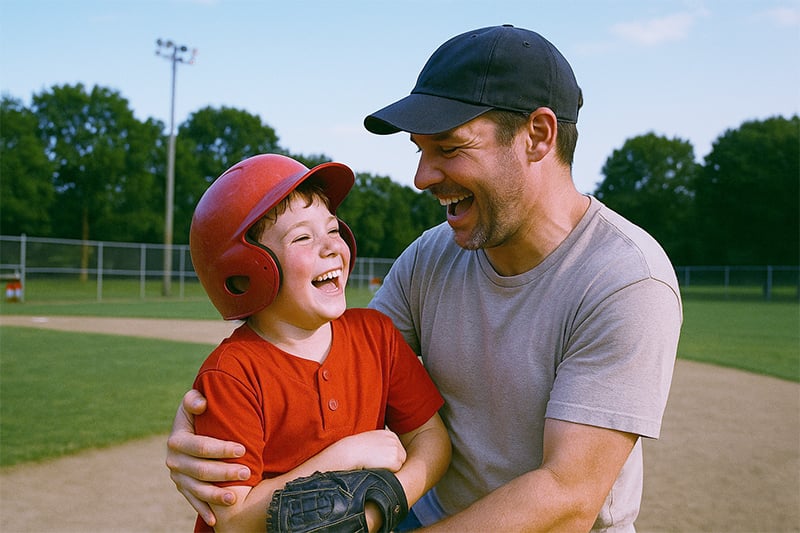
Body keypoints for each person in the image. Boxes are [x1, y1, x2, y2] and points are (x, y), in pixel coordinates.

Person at [167, 25, 682, 532]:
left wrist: (377, 511)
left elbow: (568, 498)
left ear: (538, 136)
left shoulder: (626, 281)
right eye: (420, 150)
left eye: (449, 148)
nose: (422, 177)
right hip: (425, 515)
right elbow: (339, 358)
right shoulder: (433, 255)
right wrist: (205, 431)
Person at [182, 153, 451, 532]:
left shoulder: (377, 336)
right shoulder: (233, 373)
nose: (330, 247)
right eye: (303, 237)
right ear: (243, 271)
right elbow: (233, 519)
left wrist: (385, 504)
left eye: (333, 230)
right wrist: (344, 456)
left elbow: (431, 438)